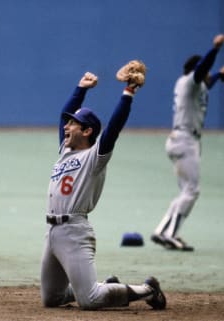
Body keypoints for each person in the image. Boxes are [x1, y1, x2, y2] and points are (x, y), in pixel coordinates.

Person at [40, 69, 166, 310]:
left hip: (74, 231)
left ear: (87, 131)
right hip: (52, 233)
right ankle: (105, 285)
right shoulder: (66, 151)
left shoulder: (94, 157)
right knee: (51, 299)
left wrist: (128, 92)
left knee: (90, 300)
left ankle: (148, 290)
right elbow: (61, 119)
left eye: (73, 124)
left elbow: (113, 128)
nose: (66, 127)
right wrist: (81, 88)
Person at [150, 34, 224, 251]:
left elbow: (209, 80)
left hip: (180, 139)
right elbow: (202, 71)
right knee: (192, 191)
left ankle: (162, 231)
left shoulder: (192, 85)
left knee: (186, 191)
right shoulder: (191, 81)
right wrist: (214, 49)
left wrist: (221, 75)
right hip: (185, 140)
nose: (207, 75)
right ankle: (171, 234)